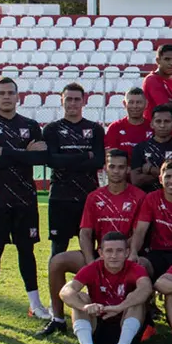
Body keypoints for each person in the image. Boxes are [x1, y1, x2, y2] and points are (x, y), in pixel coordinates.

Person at [36, 150, 147, 338]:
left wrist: (123, 254)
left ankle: (141, 317)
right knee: (57, 261)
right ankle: (57, 319)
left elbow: (138, 233)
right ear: (105, 169)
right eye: (112, 166)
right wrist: (91, 263)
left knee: (145, 266)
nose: (116, 171)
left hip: (125, 255)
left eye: (121, 167)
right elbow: (85, 233)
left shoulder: (139, 196)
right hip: (99, 255)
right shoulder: (94, 197)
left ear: (128, 169)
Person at [0, 76, 50, 325]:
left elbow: (39, 160)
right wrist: (23, 154)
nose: (6, 97)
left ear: (19, 97)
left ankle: (36, 304)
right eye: (1, 93)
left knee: (27, 251)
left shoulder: (30, 124)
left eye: (10, 93)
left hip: (25, 200)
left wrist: (5, 151)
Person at [60, 232, 152, 344]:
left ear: (127, 252)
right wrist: (85, 307)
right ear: (101, 253)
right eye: (109, 251)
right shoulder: (92, 269)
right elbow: (65, 291)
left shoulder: (135, 269)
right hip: (97, 324)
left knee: (135, 299)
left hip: (124, 326)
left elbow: (146, 288)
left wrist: (120, 307)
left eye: (119, 251)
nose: (114, 256)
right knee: (81, 297)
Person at [43, 83, 105, 256]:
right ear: (62, 101)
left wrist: (65, 159)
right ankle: (54, 284)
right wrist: (85, 156)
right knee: (58, 248)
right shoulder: (52, 129)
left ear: (84, 101)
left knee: (89, 248)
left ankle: (93, 283)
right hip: (60, 197)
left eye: (77, 99)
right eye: (68, 99)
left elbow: (99, 161)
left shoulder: (95, 129)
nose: (73, 103)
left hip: (88, 197)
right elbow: (52, 161)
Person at [130, 103, 172, 194]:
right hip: (147, 200)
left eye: (167, 121)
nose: (162, 125)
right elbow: (136, 180)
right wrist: (169, 175)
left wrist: (151, 170)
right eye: (158, 121)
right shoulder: (140, 148)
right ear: (152, 124)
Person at [104, 87, 151, 154]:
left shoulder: (153, 128)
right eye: (131, 102)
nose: (135, 106)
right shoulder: (115, 127)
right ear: (124, 104)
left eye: (139, 102)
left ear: (146, 104)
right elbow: (109, 154)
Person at [142, 44, 172, 122]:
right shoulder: (152, 79)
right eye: (167, 59)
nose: (171, 63)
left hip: (170, 130)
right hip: (154, 131)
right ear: (158, 61)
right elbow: (165, 107)